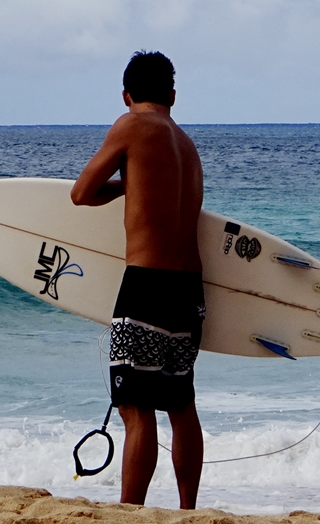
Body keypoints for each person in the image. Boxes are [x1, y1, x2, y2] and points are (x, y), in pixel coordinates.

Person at [71, 51, 206, 509]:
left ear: (127, 95)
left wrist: (126, 186)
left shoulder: (130, 125)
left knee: (136, 405)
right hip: (190, 288)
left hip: (146, 285)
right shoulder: (187, 145)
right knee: (180, 403)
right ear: (172, 95)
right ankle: (188, 511)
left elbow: (81, 193)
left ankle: (131, 512)